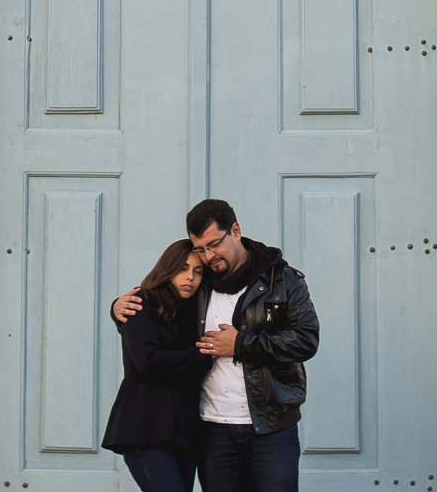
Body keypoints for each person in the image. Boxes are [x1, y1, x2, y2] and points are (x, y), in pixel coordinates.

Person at [114, 199, 320, 492]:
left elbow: (306, 340)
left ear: (235, 231)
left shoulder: (283, 281)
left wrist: (241, 344)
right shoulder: (201, 281)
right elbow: (159, 312)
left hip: (272, 425)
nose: (208, 256)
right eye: (200, 249)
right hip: (211, 430)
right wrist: (118, 309)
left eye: (213, 244)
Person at [102, 239, 213, 492]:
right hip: (145, 425)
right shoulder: (141, 302)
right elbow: (147, 361)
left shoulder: (202, 310)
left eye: (198, 271)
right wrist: (200, 357)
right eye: (183, 268)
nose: (190, 277)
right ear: (168, 268)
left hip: (185, 427)